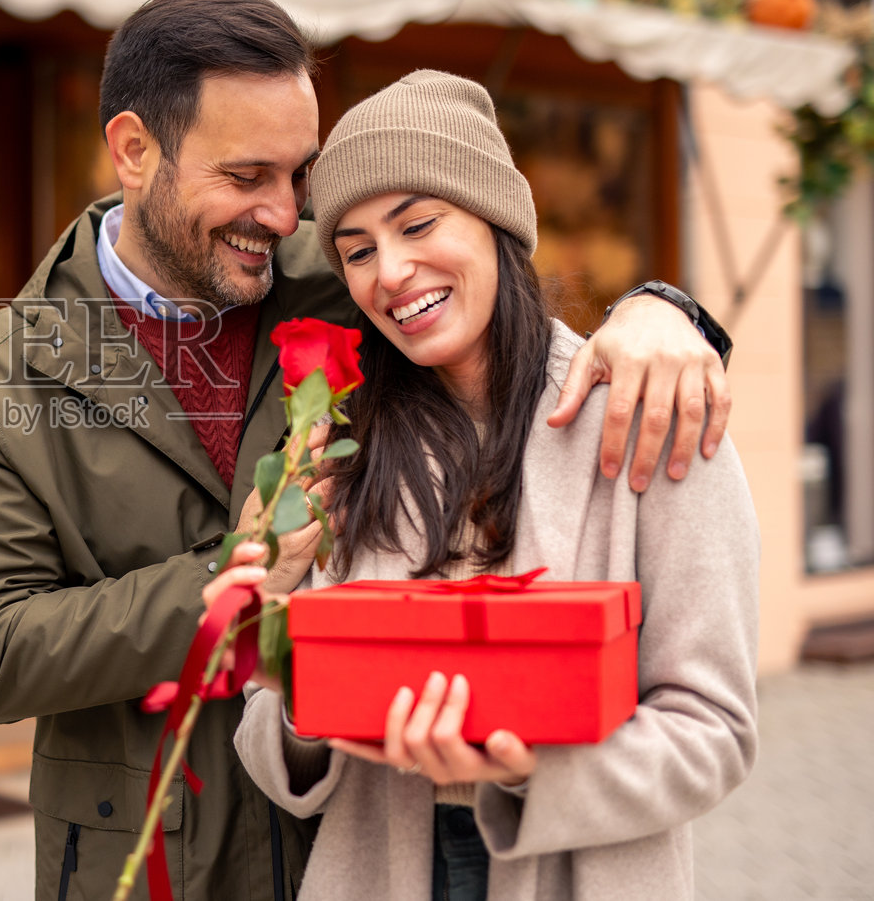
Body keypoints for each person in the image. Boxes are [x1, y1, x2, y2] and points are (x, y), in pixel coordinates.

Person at [0, 0, 734, 901]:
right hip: (151, 851)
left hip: (350, 854)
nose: (281, 214)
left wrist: (664, 311)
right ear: (134, 150)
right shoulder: (0, 373)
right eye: (245, 176)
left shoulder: (337, 270)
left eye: (297, 175)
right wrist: (225, 581)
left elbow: (473, 264)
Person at [220, 70, 759, 899]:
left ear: (498, 219)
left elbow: (713, 729)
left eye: (419, 223)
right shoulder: (337, 445)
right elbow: (266, 725)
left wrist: (532, 766)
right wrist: (302, 692)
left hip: (582, 867)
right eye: (357, 249)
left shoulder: (653, 409)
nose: (391, 271)